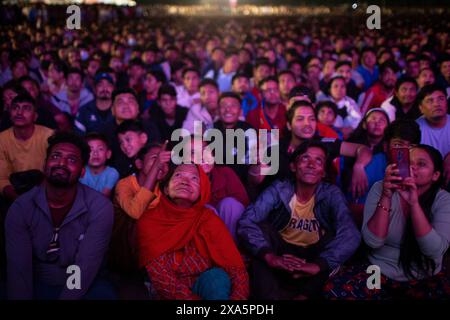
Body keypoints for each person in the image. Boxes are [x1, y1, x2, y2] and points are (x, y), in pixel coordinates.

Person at [238, 140, 361, 300]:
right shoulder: (279, 188)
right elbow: (246, 222)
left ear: (323, 172)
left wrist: (318, 265)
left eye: (319, 161)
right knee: (262, 232)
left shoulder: (332, 194)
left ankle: (304, 295)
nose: (311, 164)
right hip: (281, 254)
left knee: (335, 239)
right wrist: (270, 257)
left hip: (313, 258)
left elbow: (351, 234)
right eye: (305, 158)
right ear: (293, 167)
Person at [325, 144, 450, 299]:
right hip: (378, 272)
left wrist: (414, 204)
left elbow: (433, 250)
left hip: (424, 277)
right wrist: (386, 195)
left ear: (435, 175)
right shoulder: (381, 188)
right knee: (336, 290)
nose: (412, 168)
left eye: (421, 164)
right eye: (408, 162)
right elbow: (373, 242)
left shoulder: (443, 199)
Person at [5, 131, 115, 300]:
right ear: (45, 164)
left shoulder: (100, 207)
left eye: (72, 160)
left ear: (82, 172)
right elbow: (20, 269)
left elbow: (85, 266)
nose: (61, 163)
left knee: (104, 295)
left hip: (79, 282)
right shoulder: (21, 208)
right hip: (36, 280)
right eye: (55, 156)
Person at [137, 163, 249, 300]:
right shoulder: (150, 221)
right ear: (166, 189)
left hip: (205, 284)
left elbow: (235, 269)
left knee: (216, 279)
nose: (185, 182)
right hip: (168, 293)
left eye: (194, 178)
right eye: (178, 175)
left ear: (202, 191)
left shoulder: (208, 220)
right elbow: (164, 281)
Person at [0, 93, 53, 202]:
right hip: (13, 195)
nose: (19, 112)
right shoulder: (2, 139)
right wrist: (19, 201)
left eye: (26, 108)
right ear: (10, 114)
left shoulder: (49, 136)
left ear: (35, 116)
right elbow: (2, 179)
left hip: (45, 192)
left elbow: (53, 173)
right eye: (15, 108)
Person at [79, 133, 119, 198]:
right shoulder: (81, 171)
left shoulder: (112, 173)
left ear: (108, 154)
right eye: (90, 150)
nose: (95, 153)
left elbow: (104, 197)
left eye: (100, 149)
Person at [416, 84, 450, 158]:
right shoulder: (415, 129)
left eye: (441, 99)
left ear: (447, 103)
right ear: (421, 108)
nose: (436, 104)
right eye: (430, 101)